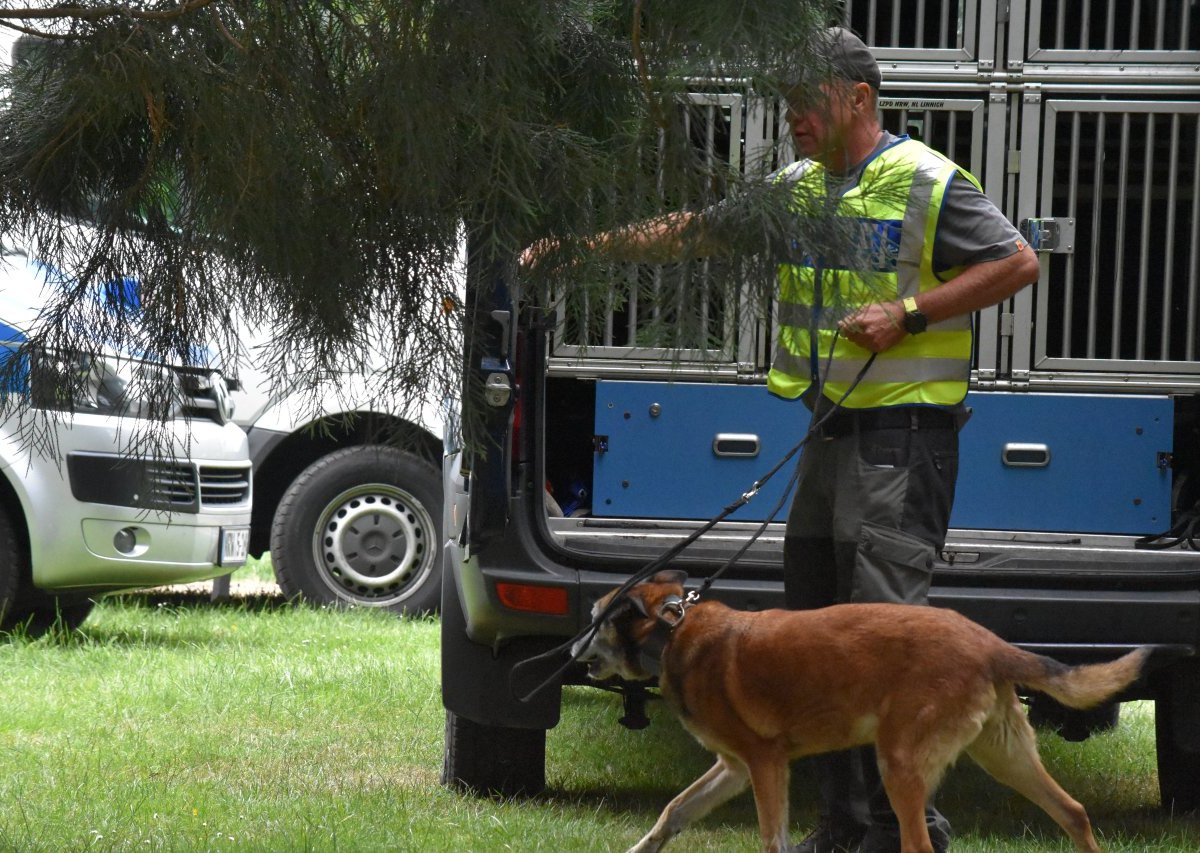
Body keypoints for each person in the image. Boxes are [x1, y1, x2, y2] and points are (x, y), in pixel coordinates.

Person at [522, 26, 1040, 853]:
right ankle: (842, 827)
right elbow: (696, 229)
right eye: (785, 102)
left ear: (860, 100)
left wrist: (907, 314)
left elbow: (1019, 262)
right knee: (816, 641)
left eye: (807, 100)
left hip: (904, 442)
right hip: (831, 433)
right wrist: (585, 250)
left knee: (882, 639)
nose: (791, 116)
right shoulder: (799, 188)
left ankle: (908, 832)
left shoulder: (926, 180)